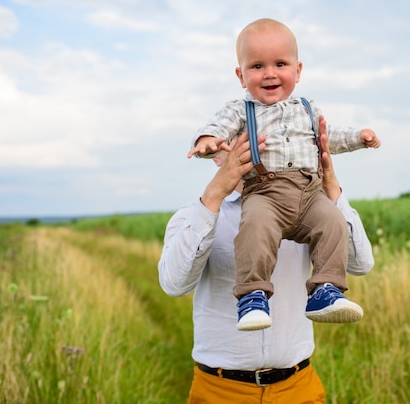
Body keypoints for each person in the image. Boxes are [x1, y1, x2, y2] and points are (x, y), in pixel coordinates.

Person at [158, 120, 374, 403]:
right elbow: (174, 284)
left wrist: (331, 187)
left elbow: (360, 264)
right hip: (221, 390)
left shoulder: (307, 211)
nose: (257, 150)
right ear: (217, 156)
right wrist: (213, 196)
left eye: (266, 141)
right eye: (242, 142)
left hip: (298, 385)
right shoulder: (193, 215)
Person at [187, 18, 381, 331]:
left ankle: (324, 291)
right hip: (265, 193)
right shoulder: (240, 110)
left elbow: (327, 137)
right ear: (241, 75)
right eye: (257, 66)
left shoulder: (307, 107)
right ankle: (252, 296)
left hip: (310, 192)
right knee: (255, 228)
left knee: (332, 222)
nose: (270, 73)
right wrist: (207, 142)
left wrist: (360, 137)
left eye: (280, 63)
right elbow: (217, 127)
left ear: (298, 70)